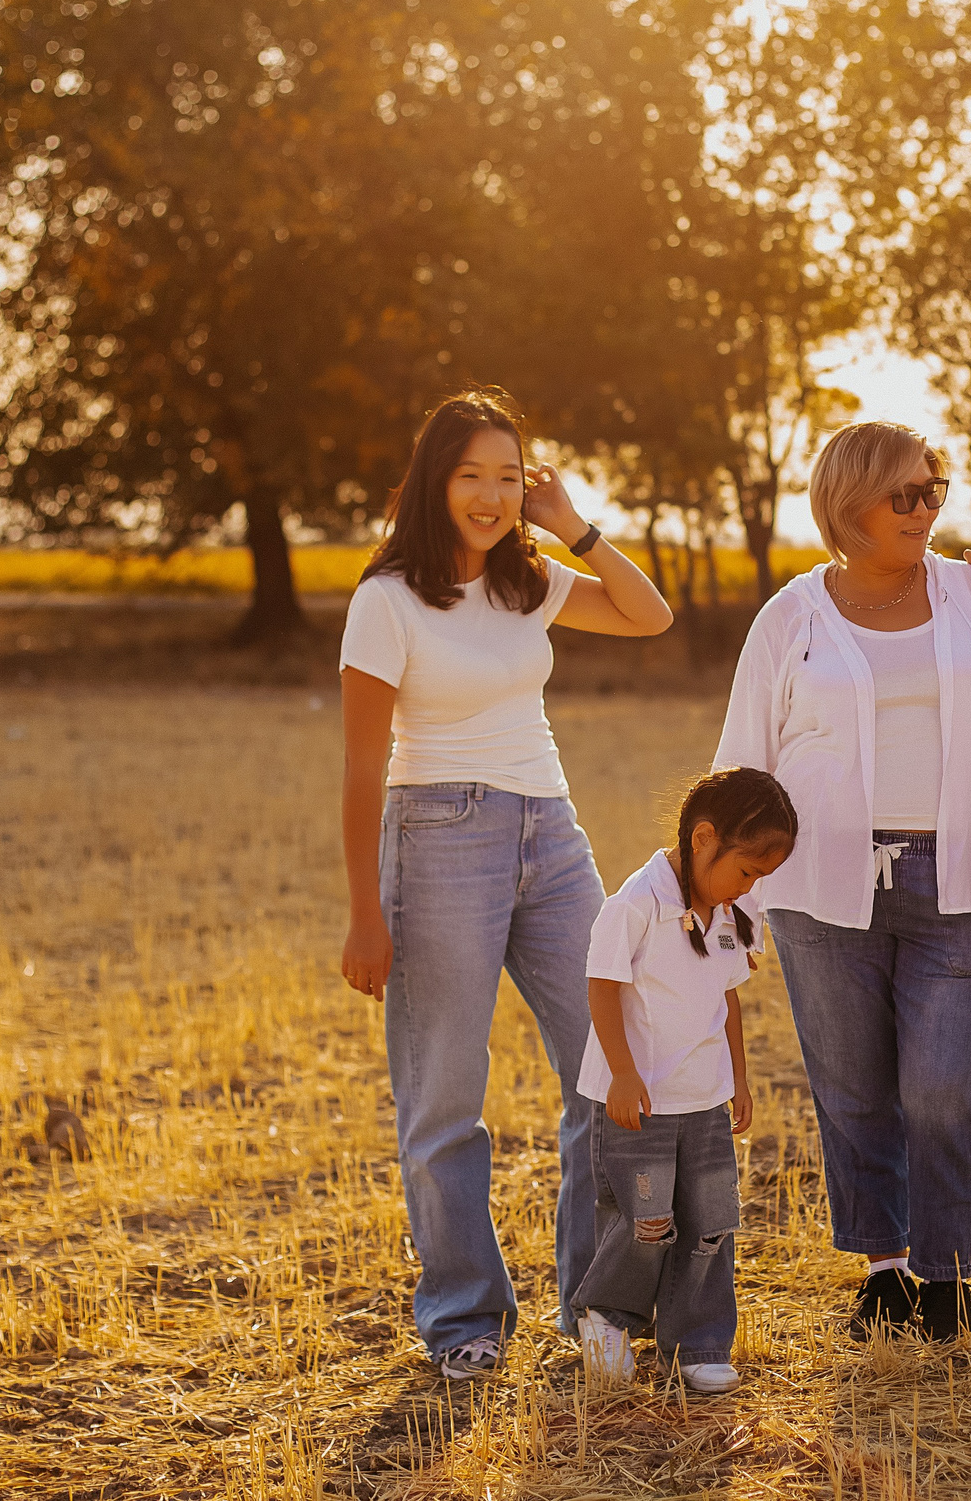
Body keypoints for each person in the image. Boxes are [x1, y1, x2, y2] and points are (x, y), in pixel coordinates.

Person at [337, 388, 675, 1381]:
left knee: (607, 1064)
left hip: (551, 831)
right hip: (438, 835)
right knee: (445, 1093)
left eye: (505, 478)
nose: (488, 498)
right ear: (432, 483)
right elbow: (362, 768)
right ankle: (463, 1317)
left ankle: (597, 1303)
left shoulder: (533, 581)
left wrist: (576, 526)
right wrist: (366, 911)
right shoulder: (386, 600)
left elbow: (649, 616)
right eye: (469, 476)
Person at [713, 421, 971, 1345]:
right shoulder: (789, 616)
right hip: (821, 885)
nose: (927, 508)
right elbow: (745, 757)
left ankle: (947, 1270)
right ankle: (886, 1267)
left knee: (941, 1087)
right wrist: (723, 899)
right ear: (849, 501)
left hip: (962, 874)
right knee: (854, 1087)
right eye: (905, 494)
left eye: (935, 489)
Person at [573, 767, 798, 1396]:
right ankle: (608, 1321)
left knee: (711, 1220)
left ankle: (696, 1342)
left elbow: (727, 1000)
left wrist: (741, 1080)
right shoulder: (635, 905)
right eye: (748, 871)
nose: (750, 887)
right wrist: (621, 1073)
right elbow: (603, 986)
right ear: (704, 839)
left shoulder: (726, 912)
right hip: (639, 1102)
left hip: (703, 1101)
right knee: (647, 1219)